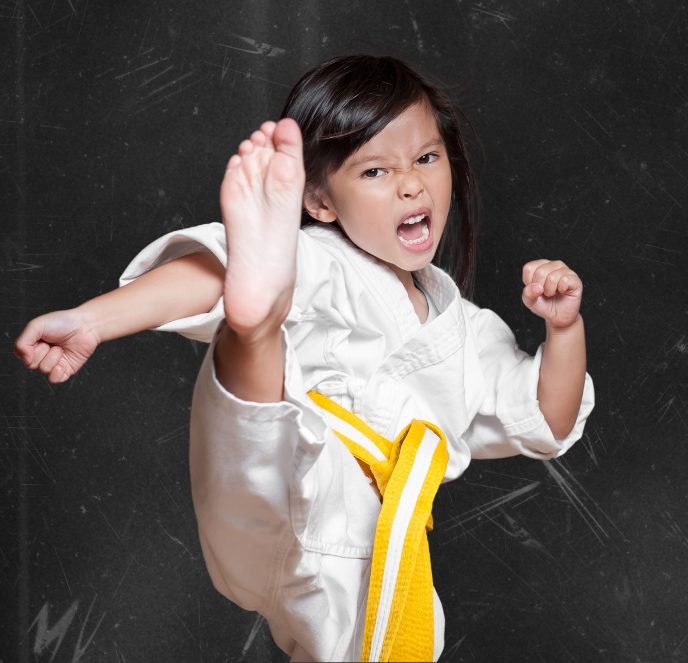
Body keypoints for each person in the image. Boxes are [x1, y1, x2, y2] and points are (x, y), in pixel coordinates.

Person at [14, 54, 594, 662]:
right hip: (294, 480)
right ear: (319, 201)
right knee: (259, 345)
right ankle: (257, 319)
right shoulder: (328, 260)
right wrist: (92, 319)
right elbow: (205, 276)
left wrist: (564, 329)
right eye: (375, 170)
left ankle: (257, 320)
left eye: (426, 158)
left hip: (372, 553)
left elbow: (548, 420)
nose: (411, 183)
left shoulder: (469, 332)